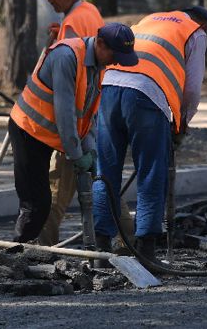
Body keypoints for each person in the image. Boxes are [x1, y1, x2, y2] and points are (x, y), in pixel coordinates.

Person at [92, 6, 207, 263]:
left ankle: (100, 251)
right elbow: (192, 89)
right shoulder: (196, 32)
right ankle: (146, 251)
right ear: (204, 25)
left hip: (110, 87)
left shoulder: (149, 19)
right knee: (150, 172)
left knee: (105, 171)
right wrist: (181, 124)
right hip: (145, 95)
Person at [7, 23, 138, 243]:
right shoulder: (66, 57)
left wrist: (91, 150)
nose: (116, 61)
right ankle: (16, 254)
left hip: (50, 133)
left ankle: (32, 253)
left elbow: (86, 113)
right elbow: (65, 114)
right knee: (36, 203)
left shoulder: (98, 65)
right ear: (101, 43)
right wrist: (77, 155)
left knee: (44, 202)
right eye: (115, 55)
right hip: (28, 130)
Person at [33, 0, 111, 247]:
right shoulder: (89, 12)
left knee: (56, 187)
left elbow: (64, 82)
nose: (50, 0)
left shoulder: (73, 24)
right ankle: (125, 241)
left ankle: (42, 247)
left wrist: (71, 138)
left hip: (75, 120)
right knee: (102, 183)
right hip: (90, 112)